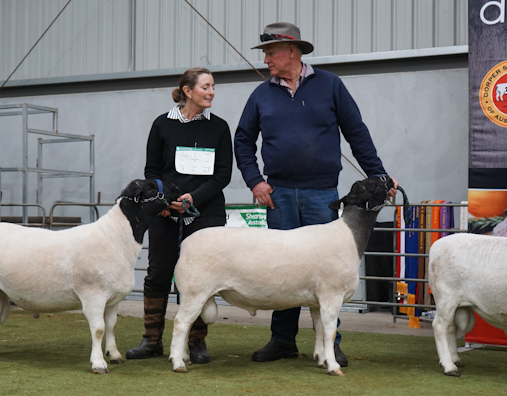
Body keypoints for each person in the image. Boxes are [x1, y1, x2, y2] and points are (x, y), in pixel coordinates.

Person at [234, 22, 398, 367]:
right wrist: (255, 181)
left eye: (271, 52)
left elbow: (357, 133)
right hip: (277, 195)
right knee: (282, 269)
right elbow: (243, 140)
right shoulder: (261, 94)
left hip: (323, 194)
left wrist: (378, 176)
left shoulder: (330, 85)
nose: (266, 59)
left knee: (327, 273)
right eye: (265, 53)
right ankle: (282, 341)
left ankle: (330, 344)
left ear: (292, 51)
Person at [126, 67, 233, 364]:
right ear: (188, 91)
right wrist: (162, 200)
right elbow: (152, 170)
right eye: (205, 87)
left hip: (205, 212)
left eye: (213, 87)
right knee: (158, 273)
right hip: (165, 211)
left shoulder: (219, 127)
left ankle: (196, 342)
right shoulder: (162, 124)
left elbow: (223, 174)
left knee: (201, 277)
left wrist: (193, 198)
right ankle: (151, 340)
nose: (211, 92)